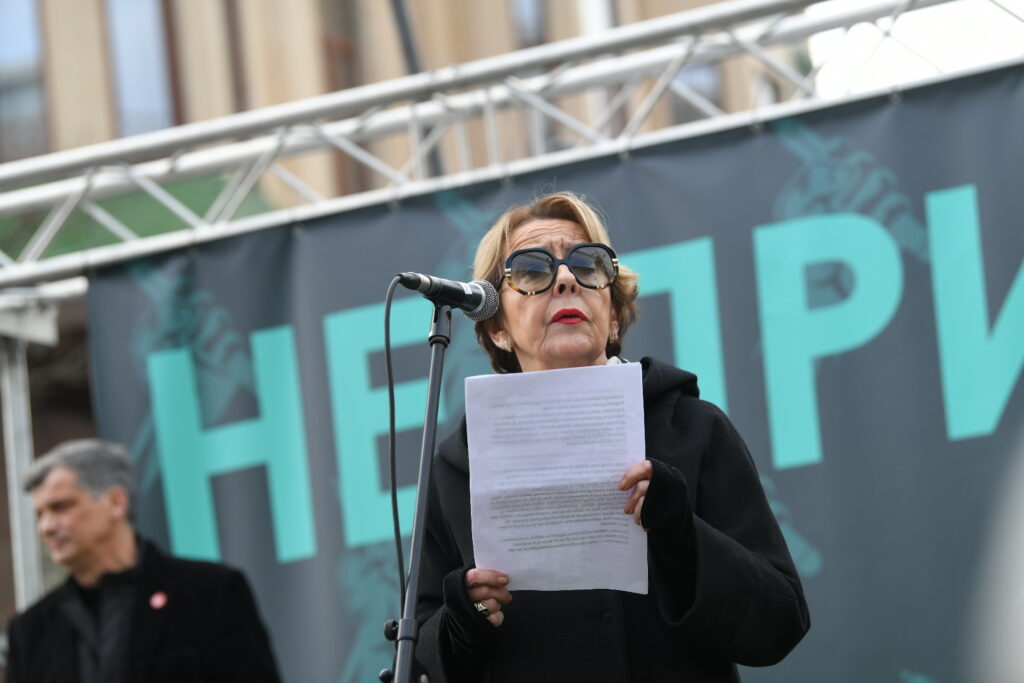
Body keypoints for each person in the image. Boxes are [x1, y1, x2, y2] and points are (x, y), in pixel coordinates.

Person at [414, 192, 810, 682]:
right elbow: (420, 659)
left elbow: (779, 624)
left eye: (588, 265)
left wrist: (683, 536)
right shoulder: (456, 470)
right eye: (532, 272)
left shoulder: (694, 429)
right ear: (496, 326)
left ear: (615, 314)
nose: (564, 279)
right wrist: (463, 621)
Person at [6, 438, 282, 683]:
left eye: (60, 507)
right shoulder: (30, 630)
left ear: (116, 502)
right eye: (39, 515)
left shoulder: (210, 593)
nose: (46, 527)